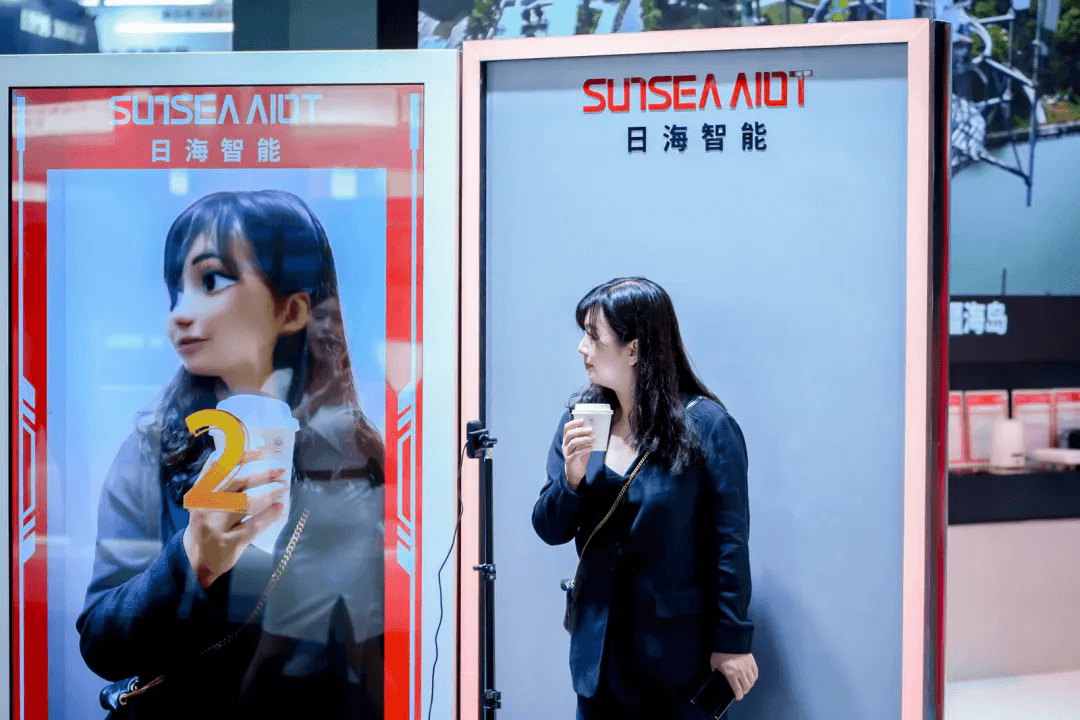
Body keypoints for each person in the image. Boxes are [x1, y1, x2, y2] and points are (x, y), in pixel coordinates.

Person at [76, 190, 384, 719]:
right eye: (176, 290)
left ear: (292, 309)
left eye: (211, 280)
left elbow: (379, 650)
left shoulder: (357, 459)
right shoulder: (153, 450)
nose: (179, 315)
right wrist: (192, 561)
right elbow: (101, 642)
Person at [532, 277, 758, 719]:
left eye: (593, 336)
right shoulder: (582, 421)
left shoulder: (708, 427)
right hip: (597, 658)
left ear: (634, 349)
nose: (581, 347)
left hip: (677, 661)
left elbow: (730, 543)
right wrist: (571, 479)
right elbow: (549, 527)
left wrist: (733, 642)